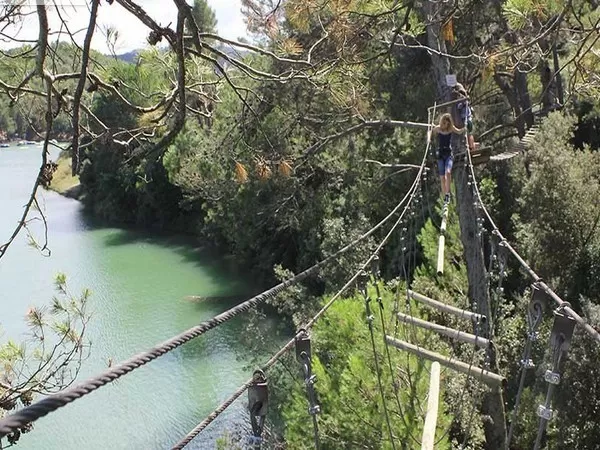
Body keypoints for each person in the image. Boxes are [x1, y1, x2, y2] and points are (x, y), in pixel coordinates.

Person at [431, 113, 465, 203]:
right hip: (440, 155)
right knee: (442, 178)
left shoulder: (450, 128)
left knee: (448, 172)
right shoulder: (438, 128)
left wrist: (466, 128)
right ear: (442, 122)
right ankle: (445, 196)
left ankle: (447, 194)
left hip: (449, 154)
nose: (446, 125)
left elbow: (459, 131)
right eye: (445, 123)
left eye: (448, 124)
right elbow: (430, 132)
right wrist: (428, 139)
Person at [454, 83, 475, 151]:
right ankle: (469, 146)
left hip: (467, 119)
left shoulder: (465, 101)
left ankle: (471, 146)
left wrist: (462, 102)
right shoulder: (463, 101)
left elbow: (461, 106)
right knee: (467, 133)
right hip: (464, 119)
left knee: (468, 133)